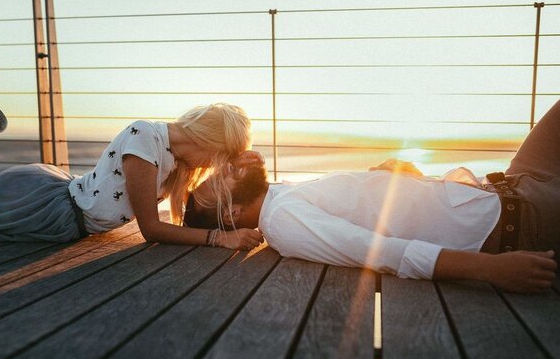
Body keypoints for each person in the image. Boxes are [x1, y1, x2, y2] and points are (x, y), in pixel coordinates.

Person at [0, 52, 264, 250]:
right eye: (220, 160)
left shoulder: (177, 160)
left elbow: (197, 206)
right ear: (211, 145)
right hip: (40, 205)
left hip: (55, 206)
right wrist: (220, 239)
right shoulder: (146, 139)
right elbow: (151, 230)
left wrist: (248, 163)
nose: (214, 168)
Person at [184, 101, 560, 294]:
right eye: (212, 185)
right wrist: (493, 270)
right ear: (231, 211)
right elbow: (383, 252)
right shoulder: (283, 221)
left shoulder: (281, 194)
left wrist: (386, 177)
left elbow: (358, 205)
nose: (220, 171)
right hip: (519, 220)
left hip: (507, 184)